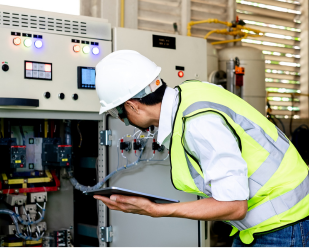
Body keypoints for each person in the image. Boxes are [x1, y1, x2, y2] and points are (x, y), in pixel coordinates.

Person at [93, 50, 309, 247]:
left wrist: (156, 210)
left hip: (283, 226)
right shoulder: (190, 93)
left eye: (119, 113)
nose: (123, 121)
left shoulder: (198, 122)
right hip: (269, 224)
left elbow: (234, 205)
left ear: (132, 105)